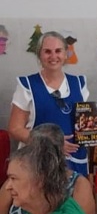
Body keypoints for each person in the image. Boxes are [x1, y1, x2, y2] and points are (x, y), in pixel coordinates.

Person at [8, 31, 90, 176]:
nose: (53, 56)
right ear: (39, 55)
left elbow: (86, 124)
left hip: (75, 161)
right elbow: (15, 129)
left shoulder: (79, 84)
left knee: (76, 192)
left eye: (58, 51)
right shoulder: (27, 85)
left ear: (66, 54)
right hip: (38, 161)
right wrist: (50, 143)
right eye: (47, 51)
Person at [0, 123, 95, 214]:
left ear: (61, 151)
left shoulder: (79, 184)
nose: (42, 157)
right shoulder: (15, 181)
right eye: (36, 150)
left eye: (48, 152)